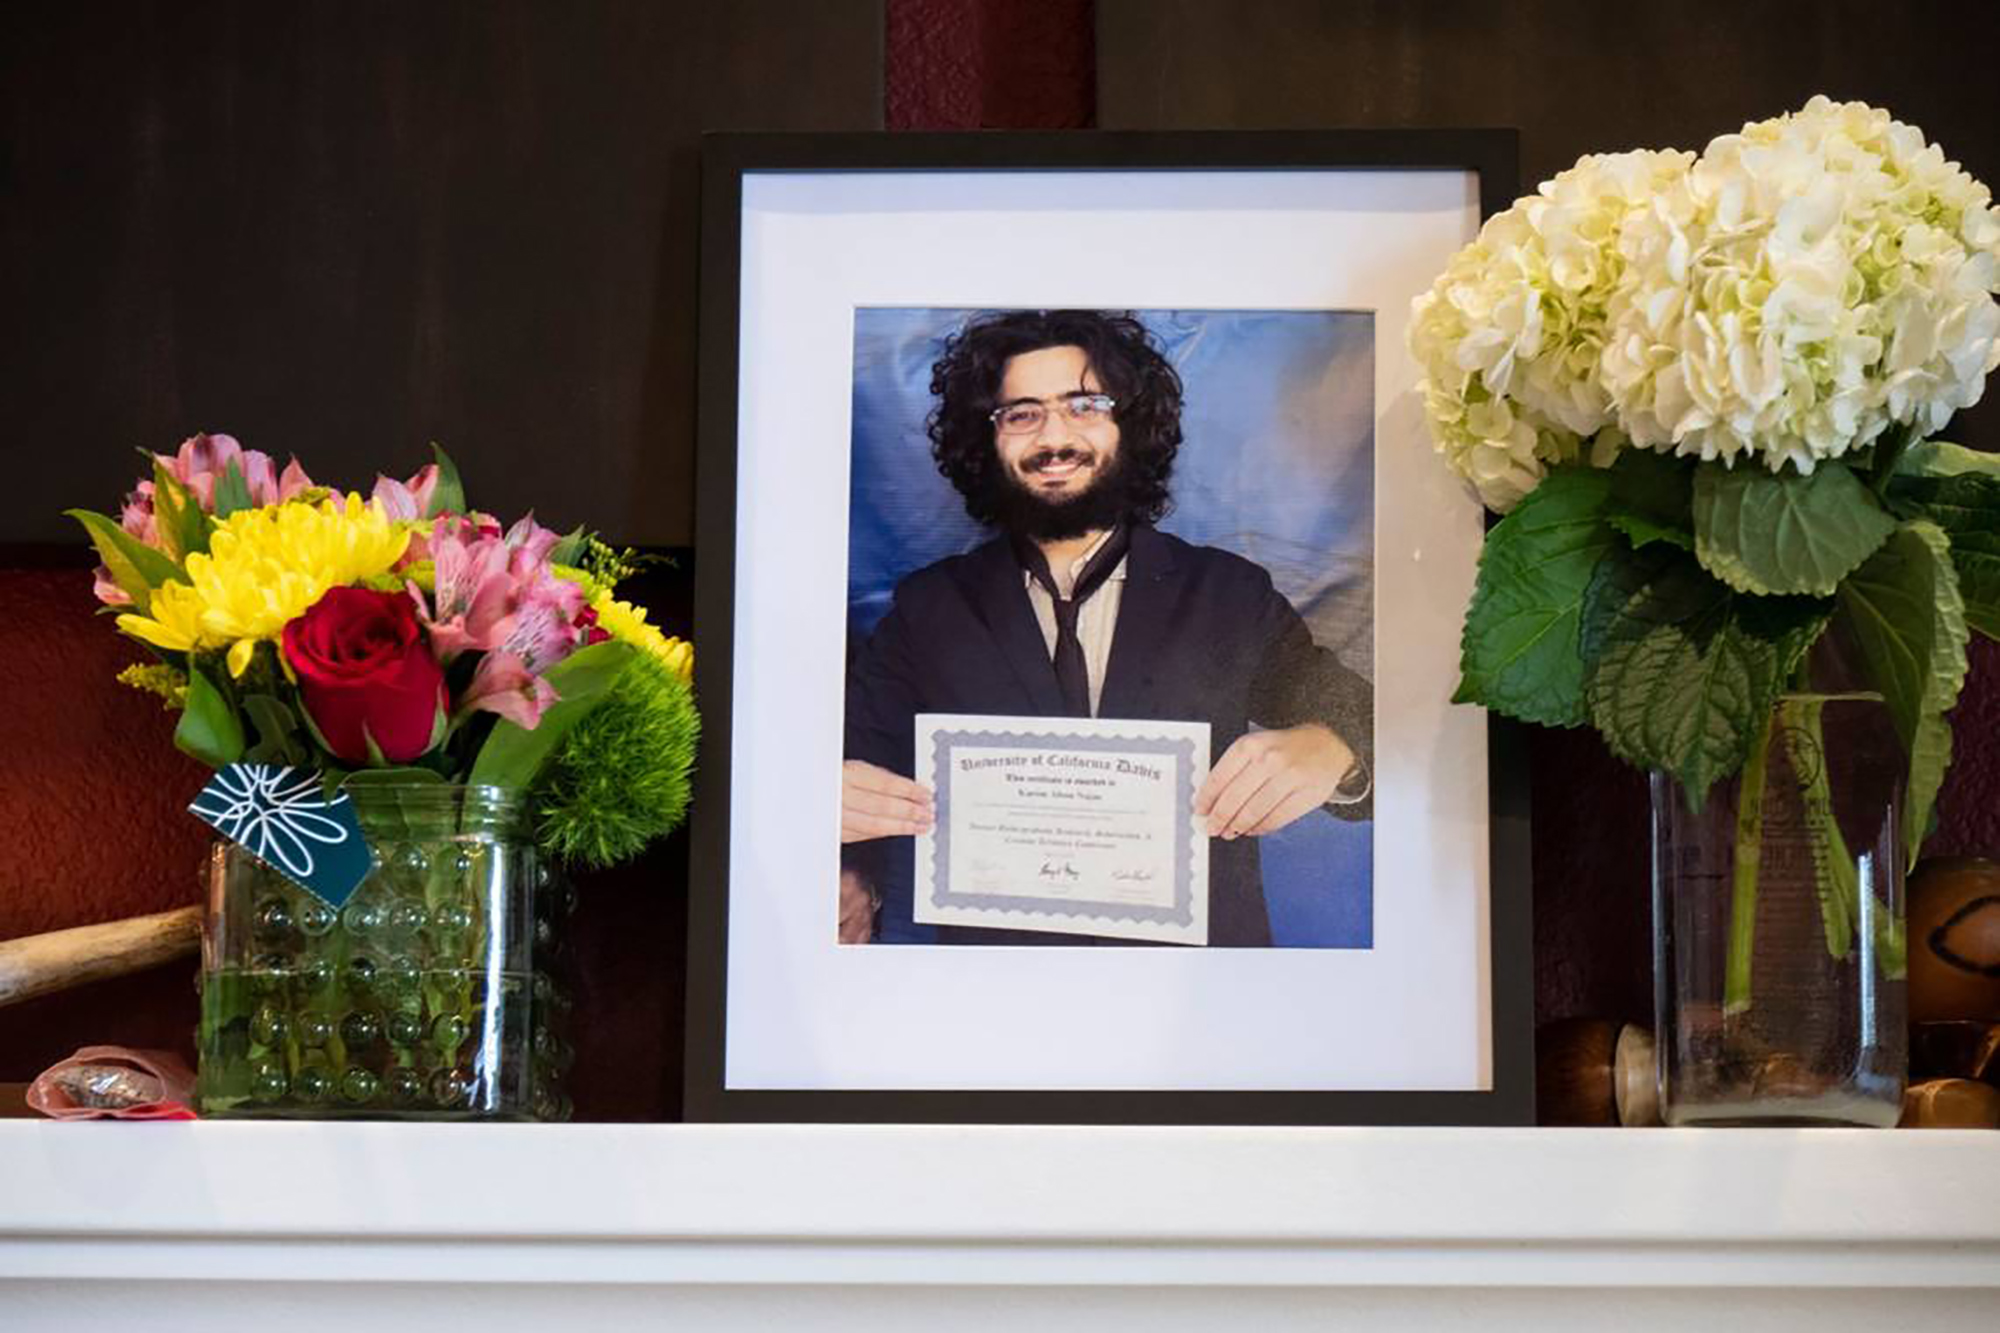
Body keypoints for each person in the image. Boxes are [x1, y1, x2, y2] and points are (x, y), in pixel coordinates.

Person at [840, 309, 1372, 947]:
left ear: (1131, 424)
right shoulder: (928, 608)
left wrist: (1333, 745)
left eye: (1084, 405)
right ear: (987, 440)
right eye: (1022, 413)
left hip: (1202, 1000)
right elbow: (857, 768)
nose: (1054, 436)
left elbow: (1365, 713)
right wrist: (850, 871)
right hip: (995, 996)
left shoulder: (1229, 593)